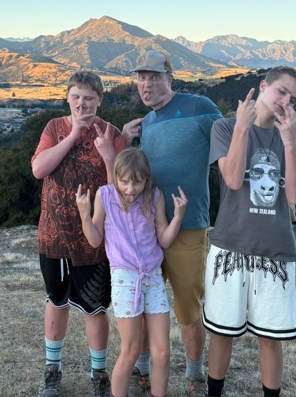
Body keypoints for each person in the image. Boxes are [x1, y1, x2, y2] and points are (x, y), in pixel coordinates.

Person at [203, 66, 296, 397]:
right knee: (222, 331)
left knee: (271, 336)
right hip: (230, 245)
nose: (285, 102)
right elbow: (233, 179)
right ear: (263, 86)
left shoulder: (294, 138)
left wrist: (290, 142)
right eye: (282, 91)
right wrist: (241, 128)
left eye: (293, 100)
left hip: (276, 249)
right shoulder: (225, 127)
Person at [122, 50, 222, 397]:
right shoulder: (147, 124)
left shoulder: (200, 107)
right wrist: (124, 141)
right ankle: (142, 372)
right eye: (141, 78)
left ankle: (195, 376)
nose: (146, 85)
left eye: (154, 77)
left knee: (187, 307)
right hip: (146, 229)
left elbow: (232, 145)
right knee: (144, 304)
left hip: (188, 226)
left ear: (170, 79)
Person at [32, 71, 128, 397]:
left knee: (95, 308)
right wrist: (73, 134)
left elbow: (122, 190)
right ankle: (52, 369)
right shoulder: (54, 128)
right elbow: (39, 169)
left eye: (88, 98)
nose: (81, 103)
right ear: (67, 98)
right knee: (56, 301)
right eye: (76, 97)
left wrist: (109, 155)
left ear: (100, 100)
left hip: (94, 239)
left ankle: (98, 374)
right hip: (54, 236)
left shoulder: (111, 134)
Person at [76, 148, 187, 397]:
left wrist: (178, 217)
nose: (130, 189)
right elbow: (95, 239)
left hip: (153, 278)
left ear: (146, 179)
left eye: (137, 182)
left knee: (162, 352)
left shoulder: (154, 196)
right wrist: (84, 215)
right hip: (125, 279)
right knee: (131, 350)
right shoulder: (104, 195)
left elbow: (164, 239)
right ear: (116, 177)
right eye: (124, 181)